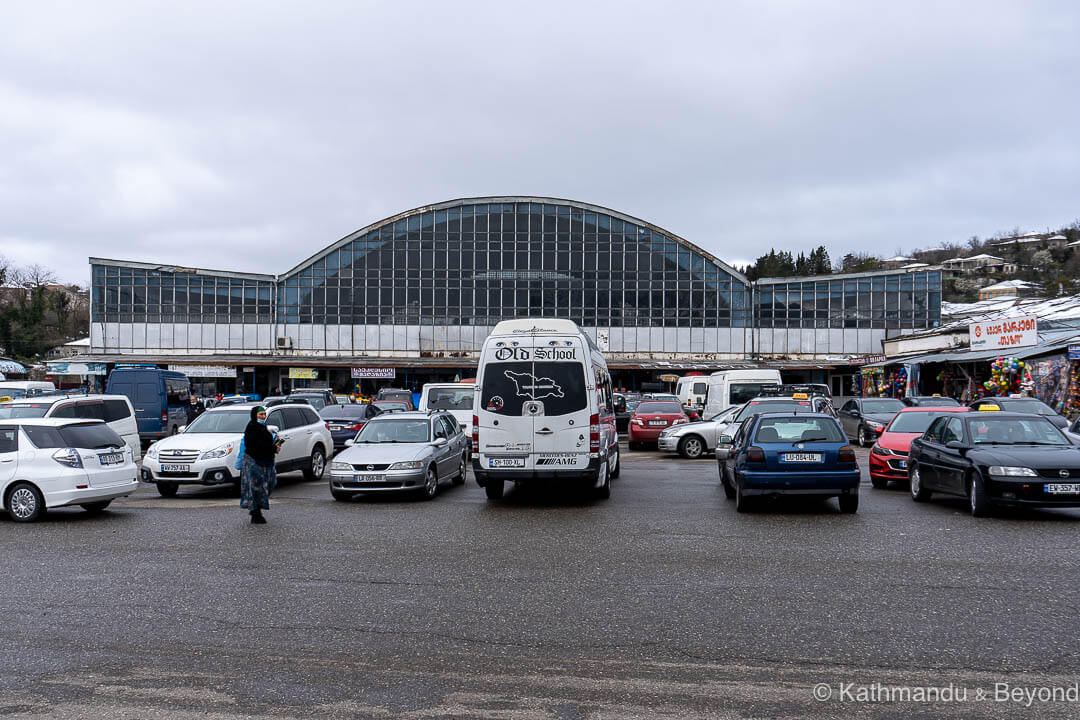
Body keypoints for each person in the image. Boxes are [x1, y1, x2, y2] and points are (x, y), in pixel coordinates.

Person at [236, 406, 279, 524]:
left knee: (270, 483)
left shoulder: (263, 427)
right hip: (253, 461)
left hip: (266, 461)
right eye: (260, 415)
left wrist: (274, 448)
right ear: (255, 415)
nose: (263, 417)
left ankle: (256, 509)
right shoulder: (252, 427)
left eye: (264, 414)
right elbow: (254, 445)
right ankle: (255, 512)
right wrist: (271, 448)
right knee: (255, 487)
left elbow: (266, 444)